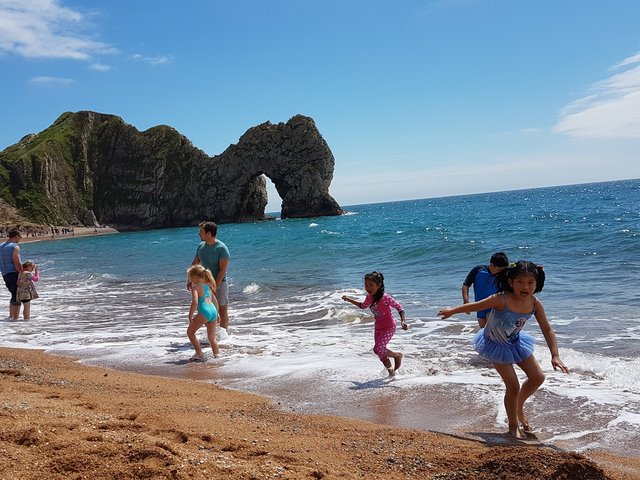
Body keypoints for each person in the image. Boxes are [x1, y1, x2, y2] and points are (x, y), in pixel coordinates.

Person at [438, 260, 570, 439]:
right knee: (513, 386)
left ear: (537, 284)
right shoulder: (501, 299)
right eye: (520, 282)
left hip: (515, 342)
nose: (526, 287)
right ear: (511, 282)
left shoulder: (535, 303)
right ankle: (513, 425)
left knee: (538, 377)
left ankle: (519, 406)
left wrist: (555, 355)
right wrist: (452, 310)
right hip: (495, 345)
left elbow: (547, 329)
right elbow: (475, 306)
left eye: (530, 282)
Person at [342, 271, 408, 376]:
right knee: (379, 352)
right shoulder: (369, 297)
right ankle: (391, 373)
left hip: (389, 327)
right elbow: (363, 306)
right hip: (378, 328)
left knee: (378, 348)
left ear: (379, 285)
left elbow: (399, 307)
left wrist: (403, 320)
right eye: (366, 285)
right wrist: (349, 300)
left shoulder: (385, 297)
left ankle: (397, 356)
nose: (368, 288)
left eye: (371, 285)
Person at [190, 221, 230, 337]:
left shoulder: (222, 248)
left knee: (222, 309)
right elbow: (195, 263)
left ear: (208, 233)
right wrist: (190, 279)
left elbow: (222, 270)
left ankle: (224, 335)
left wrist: (215, 285)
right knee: (207, 310)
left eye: (201, 232)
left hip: (220, 283)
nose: (199, 234)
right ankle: (212, 335)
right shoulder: (201, 247)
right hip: (204, 285)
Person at [462, 252, 509, 328]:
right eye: (499, 270)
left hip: (494, 306)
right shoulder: (478, 270)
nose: (502, 272)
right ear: (491, 265)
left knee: (491, 330)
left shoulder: (503, 275)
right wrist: (465, 301)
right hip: (480, 306)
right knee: (484, 332)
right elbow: (466, 285)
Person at [186, 264, 220, 361]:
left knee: (190, 332)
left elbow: (195, 302)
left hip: (204, 312)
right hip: (213, 311)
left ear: (195, 278)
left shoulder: (195, 288)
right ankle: (217, 356)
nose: (190, 280)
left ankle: (199, 353)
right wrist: (217, 314)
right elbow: (215, 301)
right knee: (212, 338)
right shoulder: (207, 286)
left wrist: (190, 315)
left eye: (190, 278)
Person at [0, 229, 23, 320]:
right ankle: (15, 319)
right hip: (13, 273)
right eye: (20, 237)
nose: (20, 239)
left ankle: (11, 316)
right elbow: (16, 261)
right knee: (17, 295)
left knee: (13, 294)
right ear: (16, 236)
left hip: (4, 273)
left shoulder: (0, 246)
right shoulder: (14, 246)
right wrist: (21, 272)